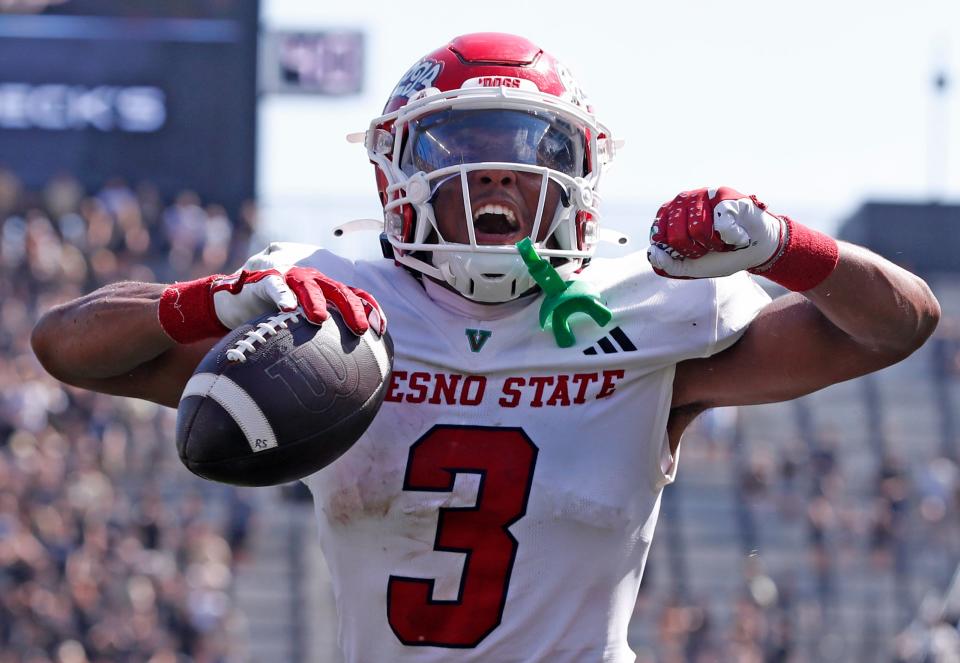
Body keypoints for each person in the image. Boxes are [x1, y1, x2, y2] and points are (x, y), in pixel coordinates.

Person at [31, 33, 940, 663]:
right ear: (398, 169)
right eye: (464, 138)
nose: (500, 168)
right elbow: (69, 347)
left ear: (581, 174)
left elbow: (900, 325)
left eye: (532, 143)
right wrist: (208, 301)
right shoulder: (333, 317)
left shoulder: (650, 316)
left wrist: (790, 245)